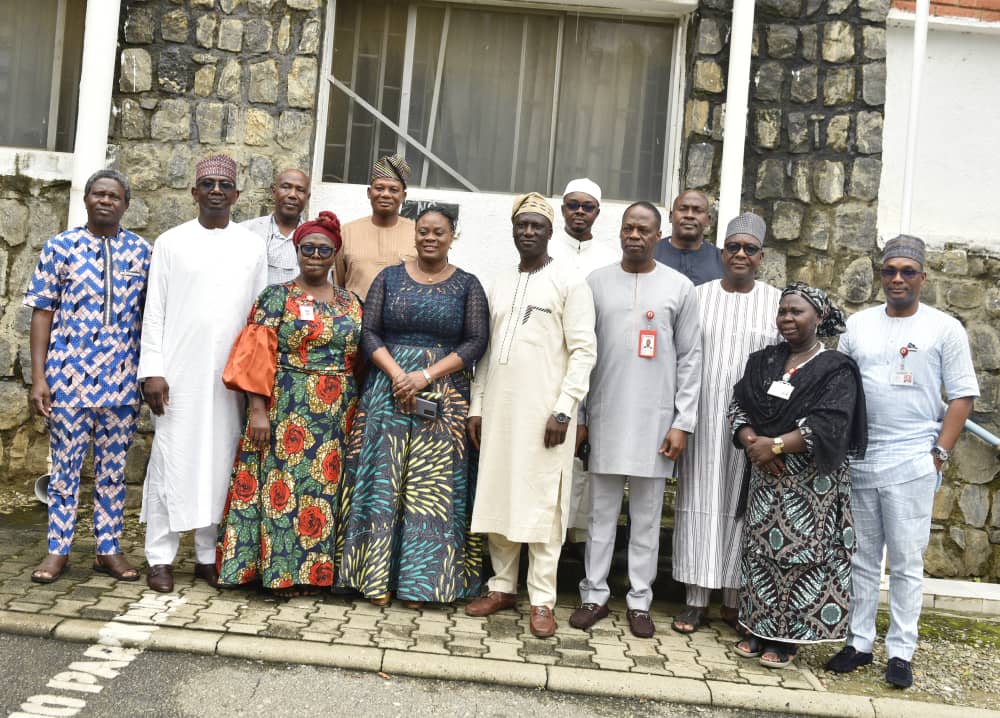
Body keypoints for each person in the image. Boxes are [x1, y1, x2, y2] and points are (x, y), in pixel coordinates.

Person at [828, 235, 978, 688]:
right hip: (862, 458)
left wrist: (939, 454)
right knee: (861, 558)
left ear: (922, 278)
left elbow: (962, 396)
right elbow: (839, 386)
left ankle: (901, 652)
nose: (897, 279)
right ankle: (858, 643)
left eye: (907, 272)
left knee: (907, 562)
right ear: (881, 276)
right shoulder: (858, 325)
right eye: (889, 271)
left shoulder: (944, 328)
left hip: (913, 459)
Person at [336, 205, 489, 608]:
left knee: (430, 488)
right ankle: (375, 578)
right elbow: (369, 333)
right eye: (423, 231)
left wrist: (425, 375)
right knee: (383, 482)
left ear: (453, 236)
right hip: (387, 391)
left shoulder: (468, 285)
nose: (430, 238)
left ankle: (421, 584)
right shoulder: (388, 278)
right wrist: (397, 373)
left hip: (444, 395)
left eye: (439, 232)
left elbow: (476, 342)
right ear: (414, 235)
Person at [465, 193, 596, 638]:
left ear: (550, 231)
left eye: (536, 225)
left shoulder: (569, 281)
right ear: (513, 230)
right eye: (521, 224)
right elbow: (486, 353)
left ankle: (542, 600)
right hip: (500, 412)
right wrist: (478, 406)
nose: (528, 232)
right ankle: (502, 586)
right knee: (500, 495)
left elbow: (584, 351)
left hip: (547, 416)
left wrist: (564, 409)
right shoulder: (500, 282)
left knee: (544, 504)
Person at [568, 202, 701, 638]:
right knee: (600, 514)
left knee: (646, 518)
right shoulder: (596, 283)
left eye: (644, 230)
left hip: (656, 423)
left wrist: (682, 422)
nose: (635, 236)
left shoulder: (680, 288)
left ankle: (640, 600)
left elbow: (690, 360)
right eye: (628, 228)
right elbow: (582, 353)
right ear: (620, 231)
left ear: (658, 236)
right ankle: (594, 595)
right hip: (605, 416)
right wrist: (581, 415)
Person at [139, 154, 268, 593]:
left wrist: (253, 383)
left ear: (236, 195)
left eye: (224, 185)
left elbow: (257, 321)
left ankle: (207, 557)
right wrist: (152, 370)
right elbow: (154, 311)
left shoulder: (251, 247)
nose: (216, 190)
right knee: (171, 461)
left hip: (229, 378)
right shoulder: (171, 242)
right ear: (194, 192)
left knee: (220, 463)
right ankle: (160, 557)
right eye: (208, 184)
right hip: (177, 375)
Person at [216, 212, 362, 597]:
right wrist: (258, 411)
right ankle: (279, 573)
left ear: (335, 254)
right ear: (297, 251)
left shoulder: (352, 302)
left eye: (324, 250)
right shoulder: (276, 297)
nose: (315, 255)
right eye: (307, 248)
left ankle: (319, 574)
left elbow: (360, 357)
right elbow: (254, 356)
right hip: (286, 406)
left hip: (337, 414)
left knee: (324, 491)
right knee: (283, 489)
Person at [729, 283, 867, 669]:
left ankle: (788, 639)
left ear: (818, 317)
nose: (787, 318)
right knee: (761, 555)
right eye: (783, 311)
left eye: (797, 311)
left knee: (800, 558)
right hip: (765, 477)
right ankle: (759, 628)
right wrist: (753, 442)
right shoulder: (764, 361)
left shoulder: (835, 368)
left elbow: (830, 424)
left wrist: (775, 445)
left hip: (810, 487)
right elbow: (739, 405)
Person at [24, 169, 151, 584]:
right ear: (86, 199)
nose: (105, 200)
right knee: (65, 469)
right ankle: (57, 550)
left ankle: (107, 549)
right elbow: (42, 313)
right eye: (98, 193)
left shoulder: (141, 252)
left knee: (113, 472)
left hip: (122, 381)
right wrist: (39, 377)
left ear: (126, 204)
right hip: (69, 379)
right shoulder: (60, 247)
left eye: (114, 196)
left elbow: (153, 316)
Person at [671, 213, 782, 634]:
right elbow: (681, 357)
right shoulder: (697, 296)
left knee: (741, 504)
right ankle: (695, 599)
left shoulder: (776, 302)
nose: (740, 254)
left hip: (753, 425)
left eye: (749, 249)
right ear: (721, 253)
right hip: (701, 417)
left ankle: (735, 600)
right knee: (698, 500)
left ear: (761, 257)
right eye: (733, 247)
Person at [548, 178, 619, 548]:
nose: (579, 212)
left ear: (597, 212)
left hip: (592, 367)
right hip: (547, 366)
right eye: (573, 205)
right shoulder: (544, 249)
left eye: (587, 206)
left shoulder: (609, 259)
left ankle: (572, 545)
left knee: (583, 457)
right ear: (562, 209)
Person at [335, 154, 417, 301]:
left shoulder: (418, 233)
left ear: (403, 196)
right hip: (355, 314)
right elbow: (338, 285)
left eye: (393, 190)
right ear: (369, 192)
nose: (385, 194)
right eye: (379, 188)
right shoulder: (345, 232)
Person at [242, 168, 311, 284]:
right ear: (274, 192)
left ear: (307, 197)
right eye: (286, 187)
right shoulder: (247, 231)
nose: (292, 195)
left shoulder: (314, 239)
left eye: (300, 190)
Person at [653, 190, 723, 285]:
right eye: (683, 209)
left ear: (708, 220)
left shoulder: (721, 260)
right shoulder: (650, 254)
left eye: (697, 211)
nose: (689, 215)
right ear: (671, 216)